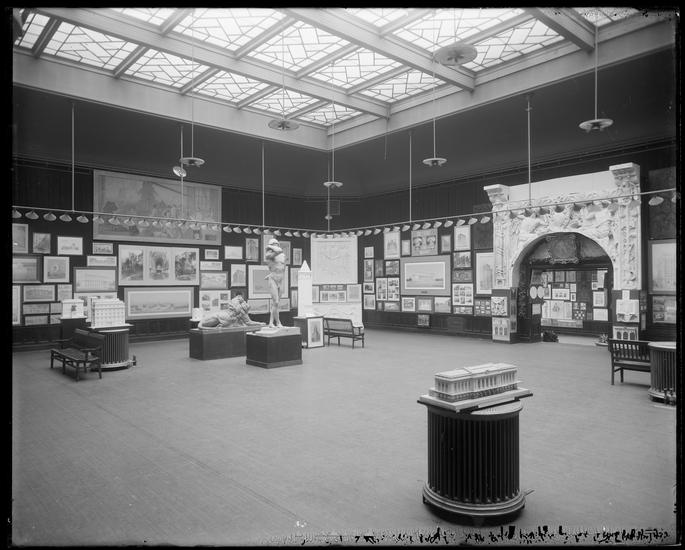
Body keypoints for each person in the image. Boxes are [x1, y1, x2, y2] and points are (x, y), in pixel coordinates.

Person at [264, 238, 286, 328]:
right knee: (276, 302)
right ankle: (278, 322)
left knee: (276, 303)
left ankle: (271, 323)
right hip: (273, 279)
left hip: (281, 279)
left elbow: (283, 267)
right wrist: (269, 246)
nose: (276, 245)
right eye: (274, 244)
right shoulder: (269, 255)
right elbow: (278, 250)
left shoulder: (282, 255)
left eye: (277, 243)